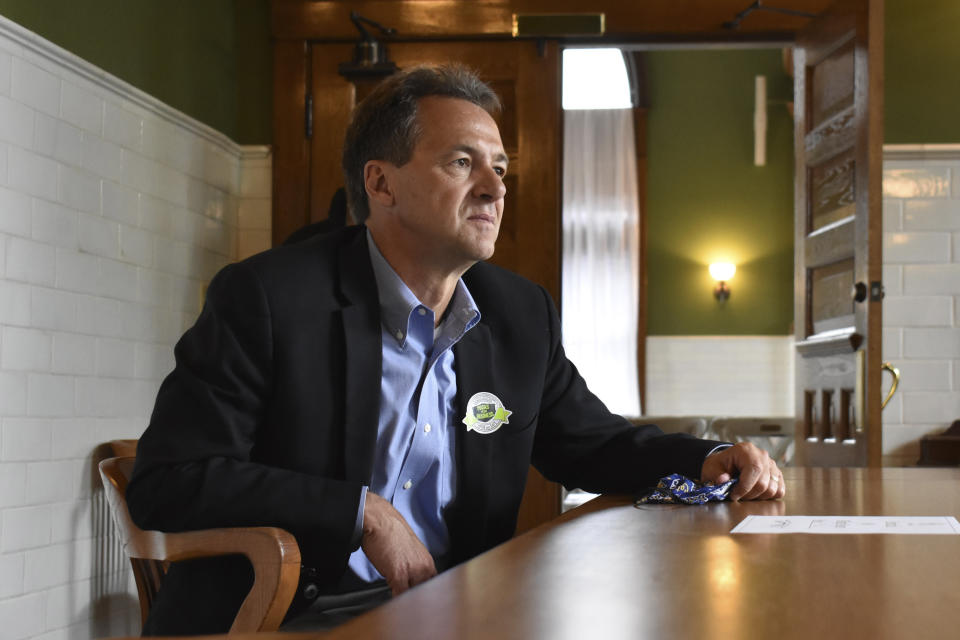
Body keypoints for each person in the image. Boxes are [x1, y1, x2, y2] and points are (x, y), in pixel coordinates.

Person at [126, 64, 784, 635]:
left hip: (458, 613)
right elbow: (168, 481)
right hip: (287, 616)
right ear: (381, 185)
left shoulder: (519, 313)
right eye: (461, 163)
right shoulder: (268, 297)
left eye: (499, 168)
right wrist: (362, 513)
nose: (496, 190)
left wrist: (708, 458)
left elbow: (591, 444)